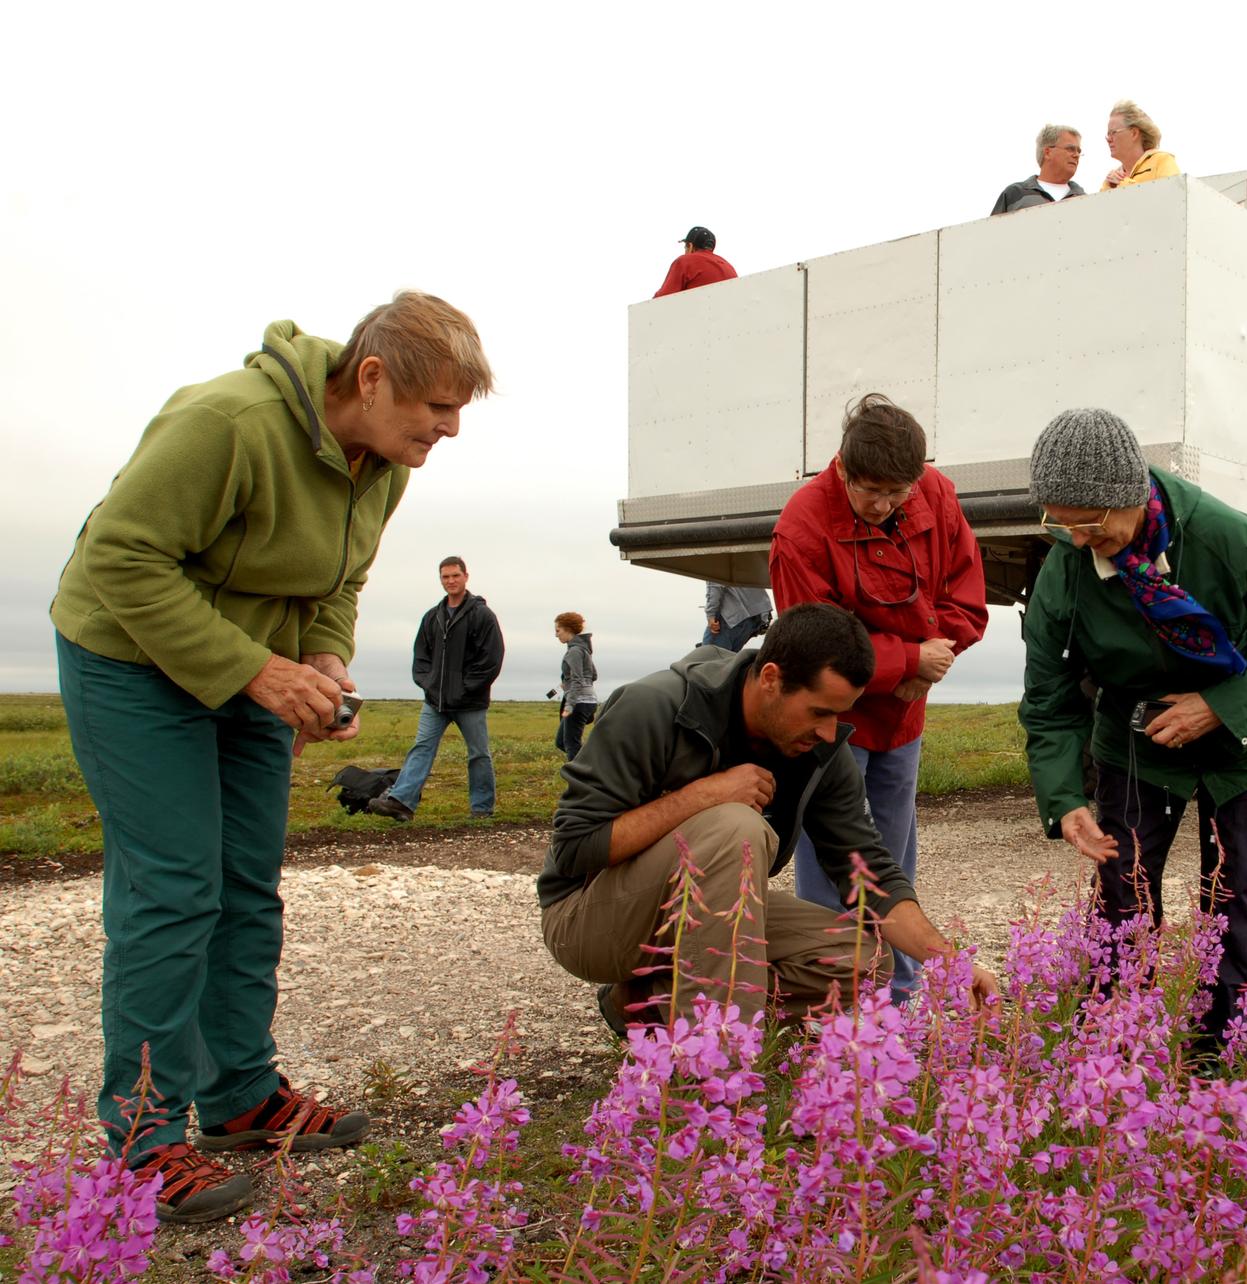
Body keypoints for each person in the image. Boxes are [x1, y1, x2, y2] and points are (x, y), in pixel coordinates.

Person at [49, 291, 493, 1223]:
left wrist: (324, 660)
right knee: (173, 887)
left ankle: (240, 1096)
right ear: (371, 377)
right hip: (129, 657)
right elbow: (125, 559)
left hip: (260, 668)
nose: (449, 429)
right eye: (437, 408)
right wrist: (256, 671)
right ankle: (142, 1141)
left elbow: (341, 578)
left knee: (245, 885)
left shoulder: (385, 462)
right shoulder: (228, 422)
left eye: (459, 411)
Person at [537, 603, 998, 1033]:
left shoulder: (816, 744)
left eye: (839, 714)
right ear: (771, 679)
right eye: (819, 711)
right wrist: (705, 795)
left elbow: (868, 873)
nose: (827, 731)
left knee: (864, 960)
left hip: (702, 915)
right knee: (735, 826)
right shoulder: (653, 705)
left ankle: (642, 1001)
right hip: (589, 920)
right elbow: (578, 848)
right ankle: (714, 1079)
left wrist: (950, 961)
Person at [1017, 409, 1247, 1045]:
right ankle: (1116, 1039)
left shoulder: (1230, 539)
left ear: (1130, 496)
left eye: (1089, 522)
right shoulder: (1067, 570)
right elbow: (1050, 695)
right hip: (1140, 740)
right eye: (1059, 522)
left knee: (1231, 892)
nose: (1075, 540)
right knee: (1123, 882)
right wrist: (1065, 798)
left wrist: (1220, 706)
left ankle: (1215, 1048)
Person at [769, 394, 988, 1002]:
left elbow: (966, 595)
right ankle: (828, 995)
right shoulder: (802, 525)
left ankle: (896, 994)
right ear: (841, 467)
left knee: (891, 858)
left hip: (905, 717)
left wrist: (931, 661)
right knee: (832, 858)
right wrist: (905, 661)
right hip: (835, 722)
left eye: (898, 492)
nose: (885, 505)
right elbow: (812, 642)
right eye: (871, 492)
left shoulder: (935, 494)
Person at [366, 557, 505, 822]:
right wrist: (428, 683)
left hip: (470, 701)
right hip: (435, 700)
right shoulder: (432, 616)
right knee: (422, 747)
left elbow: (492, 659)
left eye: (455, 575)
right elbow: (421, 656)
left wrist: (465, 688)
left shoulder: (482, 615)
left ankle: (482, 808)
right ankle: (401, 803)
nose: (450, 581)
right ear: (440, 579)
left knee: (478, 754)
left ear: (466, 576)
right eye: (445, 577)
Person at [990, 123, 1086, 215]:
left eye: (1079, 151)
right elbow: (991, 230)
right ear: (1048, 152)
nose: (1076, 155)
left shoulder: (1085, 199)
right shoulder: (1014, 194)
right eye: (1070, 149)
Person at [1102, 99, 1180, 190]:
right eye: (1108, 134)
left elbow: (1172, 197)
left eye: (1113, 132)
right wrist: (1108, 188)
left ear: (1134, 133)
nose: (1108, 139)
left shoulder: (1162, 161)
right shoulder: (1111, 180)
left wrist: (1123, 184)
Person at [552, 611, 600, 762]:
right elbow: (593, 675)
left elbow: (578, 679)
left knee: (572, 745)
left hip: (579, 702)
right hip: (587, 700)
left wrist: (570, 705)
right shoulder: (583, 648)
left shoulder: (575, 651)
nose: (556, 635)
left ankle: (580, 779)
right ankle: (591, 764)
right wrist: (566, 682)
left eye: (558, 630)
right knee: (562, 742)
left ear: (568, 629)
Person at [654, 225, 738, 297]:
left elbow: (661, 299)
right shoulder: (729, 266)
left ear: (690, 246)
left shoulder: (685, 261)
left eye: (685, 247)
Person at [702, 582, 774, 651]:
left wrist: (710, 614)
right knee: (729, 660)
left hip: (731, 617)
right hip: (755, 615)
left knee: (709, 658)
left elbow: (715, 583)